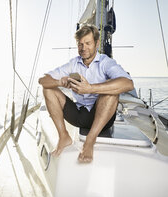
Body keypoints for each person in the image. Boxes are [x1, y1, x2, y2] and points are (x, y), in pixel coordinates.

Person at [38, 24, 134, 163]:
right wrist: (60, 81)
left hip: (102, 118)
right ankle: (64, 136)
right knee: (48, 88)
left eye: (88, 43)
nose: (83, 48)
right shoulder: (73, 64)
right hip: (78, 114)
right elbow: (43, 80)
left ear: (97, 43)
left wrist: (90, 88)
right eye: (80, 44)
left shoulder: (105, 62)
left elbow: (128, 83)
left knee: (111, 92)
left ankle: (90, 140)